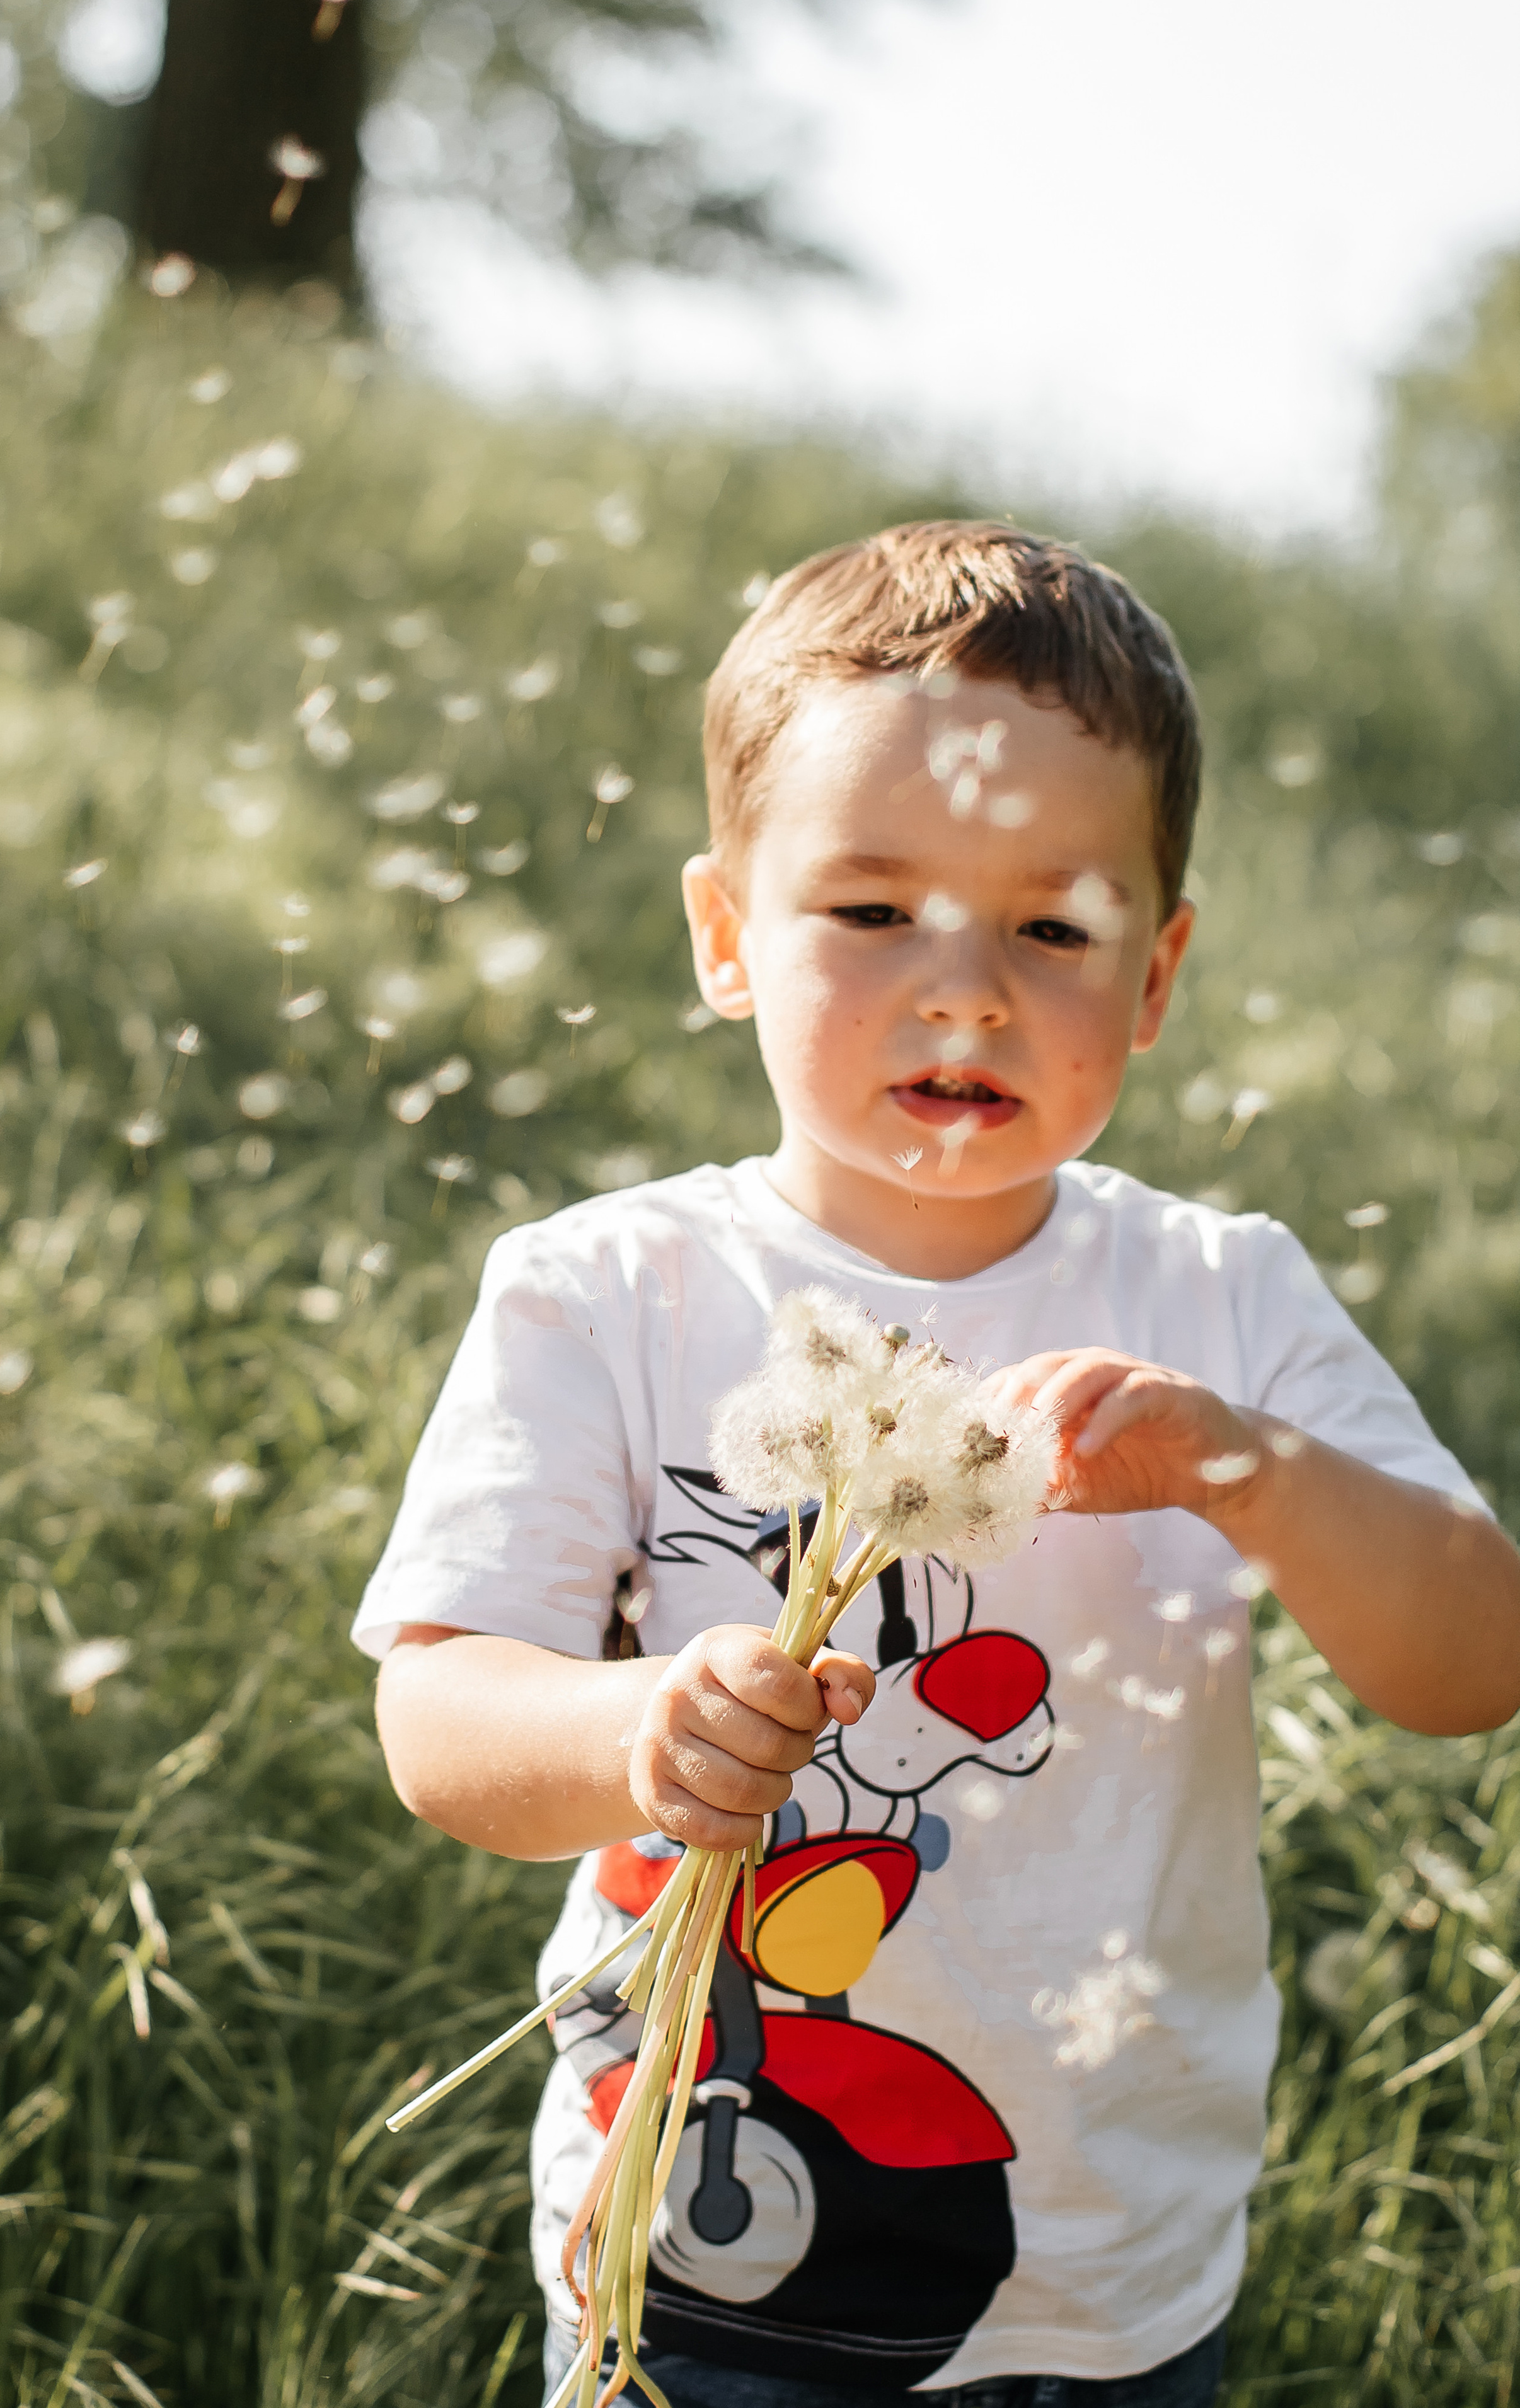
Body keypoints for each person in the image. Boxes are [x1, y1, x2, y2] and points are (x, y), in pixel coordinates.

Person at [355, 522, 1520, 2408]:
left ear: (1156, 976)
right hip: (689, 2237)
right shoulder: (611, 1291)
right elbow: (442, 1723)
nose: (967, 988)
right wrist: (641, 1727)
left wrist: (1259, 1473)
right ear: (728, 936)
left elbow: (1473, 1664)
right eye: (874, 911)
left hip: (1108, 2269)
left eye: (1053, 927)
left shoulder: (1219, 1300)